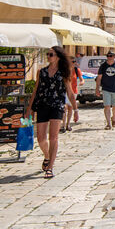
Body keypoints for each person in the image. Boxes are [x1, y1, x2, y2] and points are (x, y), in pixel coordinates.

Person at [26, 46, 77, 178]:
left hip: (57, 106)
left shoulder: (64, 72)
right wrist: (29, 109)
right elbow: (35, 91)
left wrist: (75, 109)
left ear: (58, 57)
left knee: (53, 137)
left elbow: (70, 93)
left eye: (51, 55)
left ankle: (50, 167)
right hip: (42, 105)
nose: (48, 57)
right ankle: (47, 156)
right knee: (41, 138)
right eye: (48, 54)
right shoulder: (41, 72)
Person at [95, 51, 115, 130]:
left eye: (111, 56)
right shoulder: (103, 66)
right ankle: (108, 123)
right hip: (106, 89)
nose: (109, 57)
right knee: (107, 106)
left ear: (114, 56)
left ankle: (113, 117)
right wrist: (97, 89)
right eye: (108, 56)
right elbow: (99, 78)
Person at [62, 56, 83, 133]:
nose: (73, 63)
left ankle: (68, 124)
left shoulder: (77, 70)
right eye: (71, 62)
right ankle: (63, 125)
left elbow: (81, 79)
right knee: (64, 108)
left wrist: (82, 82)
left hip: (73, 91)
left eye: (74, 61)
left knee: (70, 108)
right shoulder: (64, 71)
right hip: (65, 91)